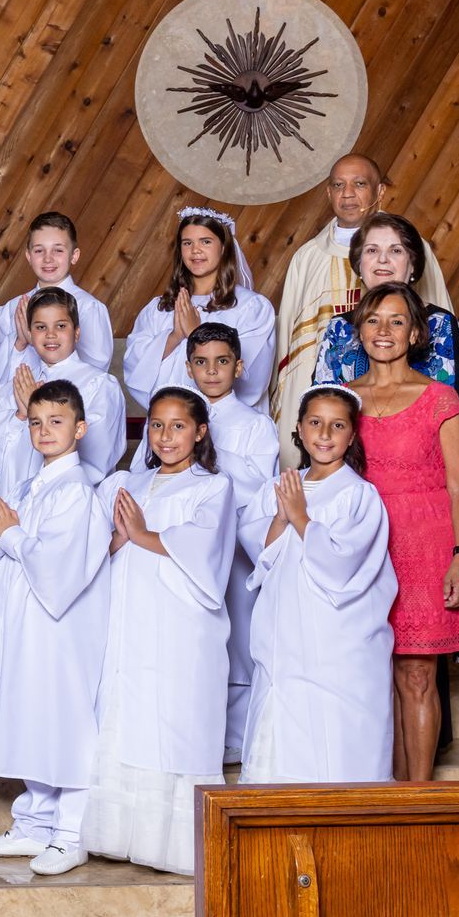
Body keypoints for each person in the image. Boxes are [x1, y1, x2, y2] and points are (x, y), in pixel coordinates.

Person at [84, 388, 235, 876]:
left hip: (180, 629)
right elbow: (94, 550)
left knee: (171, 721)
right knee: (127, 715)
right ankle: (116, 833)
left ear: (200, 431)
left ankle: (169, 845)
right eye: (156, 425)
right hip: (129, 620)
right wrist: (118, 539)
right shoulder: (129, 481)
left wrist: (143, 534)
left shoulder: (212, 487)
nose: (165, 436)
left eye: (178, 426)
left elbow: (205, 551)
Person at [0, 380, 110, 875]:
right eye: (36, 422)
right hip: (31, 626)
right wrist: (7, 536)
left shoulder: (74, 491)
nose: (45, 430)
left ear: (80, 428)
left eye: (56, 421)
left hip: (62, 630)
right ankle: (35, 821)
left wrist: (9, 533)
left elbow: (55, 568)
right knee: (36, 716)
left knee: (66, 722)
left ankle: (71, 833)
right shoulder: (39, 485)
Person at [348, 282, 459, 782]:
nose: (384, 331)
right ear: (359, 330)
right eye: (374, 320)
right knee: (370, 675)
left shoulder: (438, 397)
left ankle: (417, 797)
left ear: (416, 332)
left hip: (425, 547)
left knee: (418, 675)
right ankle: (384, 789)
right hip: (362, 549)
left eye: (397, 321)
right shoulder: (343, 398)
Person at [240, 386, 395, 784]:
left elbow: (344, 565)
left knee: (334, 737)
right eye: (315, 422)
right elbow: (260, 556)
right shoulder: (279, 486)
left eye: (337, 425)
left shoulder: (358, 494)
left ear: (352, 435)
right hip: (285, 635)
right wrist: (283, 515)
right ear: (299, 428)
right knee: (285, 734)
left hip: (334, 643)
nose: (325, 434)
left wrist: (301, 517)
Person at [273, 154, 452, 453]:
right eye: (338, 185)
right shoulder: (307, 258)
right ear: (328, 192)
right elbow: (290, 349)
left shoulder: (411, 246)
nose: (347, 194)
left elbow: (436, 328)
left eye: (359, 184)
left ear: (379, 191)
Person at [183, 323, 280, 762]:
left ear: (238, 367)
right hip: (191, 545)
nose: (212, 372)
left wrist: (214, 454)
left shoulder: (255, 425)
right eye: (201, 363)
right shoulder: (176, 416)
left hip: (238, 545)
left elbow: (259, 488)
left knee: (239, 637)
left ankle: (239, 738)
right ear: (188, 369)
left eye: (222, 362)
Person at [0, 287, 125, 497]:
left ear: (76, 333)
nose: (50, 334)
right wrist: (21, 416)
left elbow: (97, 457)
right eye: (41, 327)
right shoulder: (21, 380)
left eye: (61, 326)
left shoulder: (100, 385)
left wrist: (34, 410)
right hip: (15, 502)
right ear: (30, 334)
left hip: (67, 498)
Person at [122, 207, 275, 411]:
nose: (195, 250)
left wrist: (196, 334)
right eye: (187, 243)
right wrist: (175, 336)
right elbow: (135, 370)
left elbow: (252, 380)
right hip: (171, 421)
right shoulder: (160, 309)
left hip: (226, 424)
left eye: (205, 241)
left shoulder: (251, 308)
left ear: (223, 248)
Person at [312, 213, 459, 401]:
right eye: (372, 250)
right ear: (359, 264)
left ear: (413, 264)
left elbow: (452, 410)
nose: (382, 259)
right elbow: (319, 408)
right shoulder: (339, 327)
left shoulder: (440, 324)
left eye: (395, 251)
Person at [0, 212, 114, 371]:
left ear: (74, 256)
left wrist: (35, 343)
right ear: (28, 256)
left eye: (58, 250)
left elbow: (95, 369)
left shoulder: (88, 308)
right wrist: (19, 343)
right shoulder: (13, 308)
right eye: (39, 251)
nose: (48, 259)